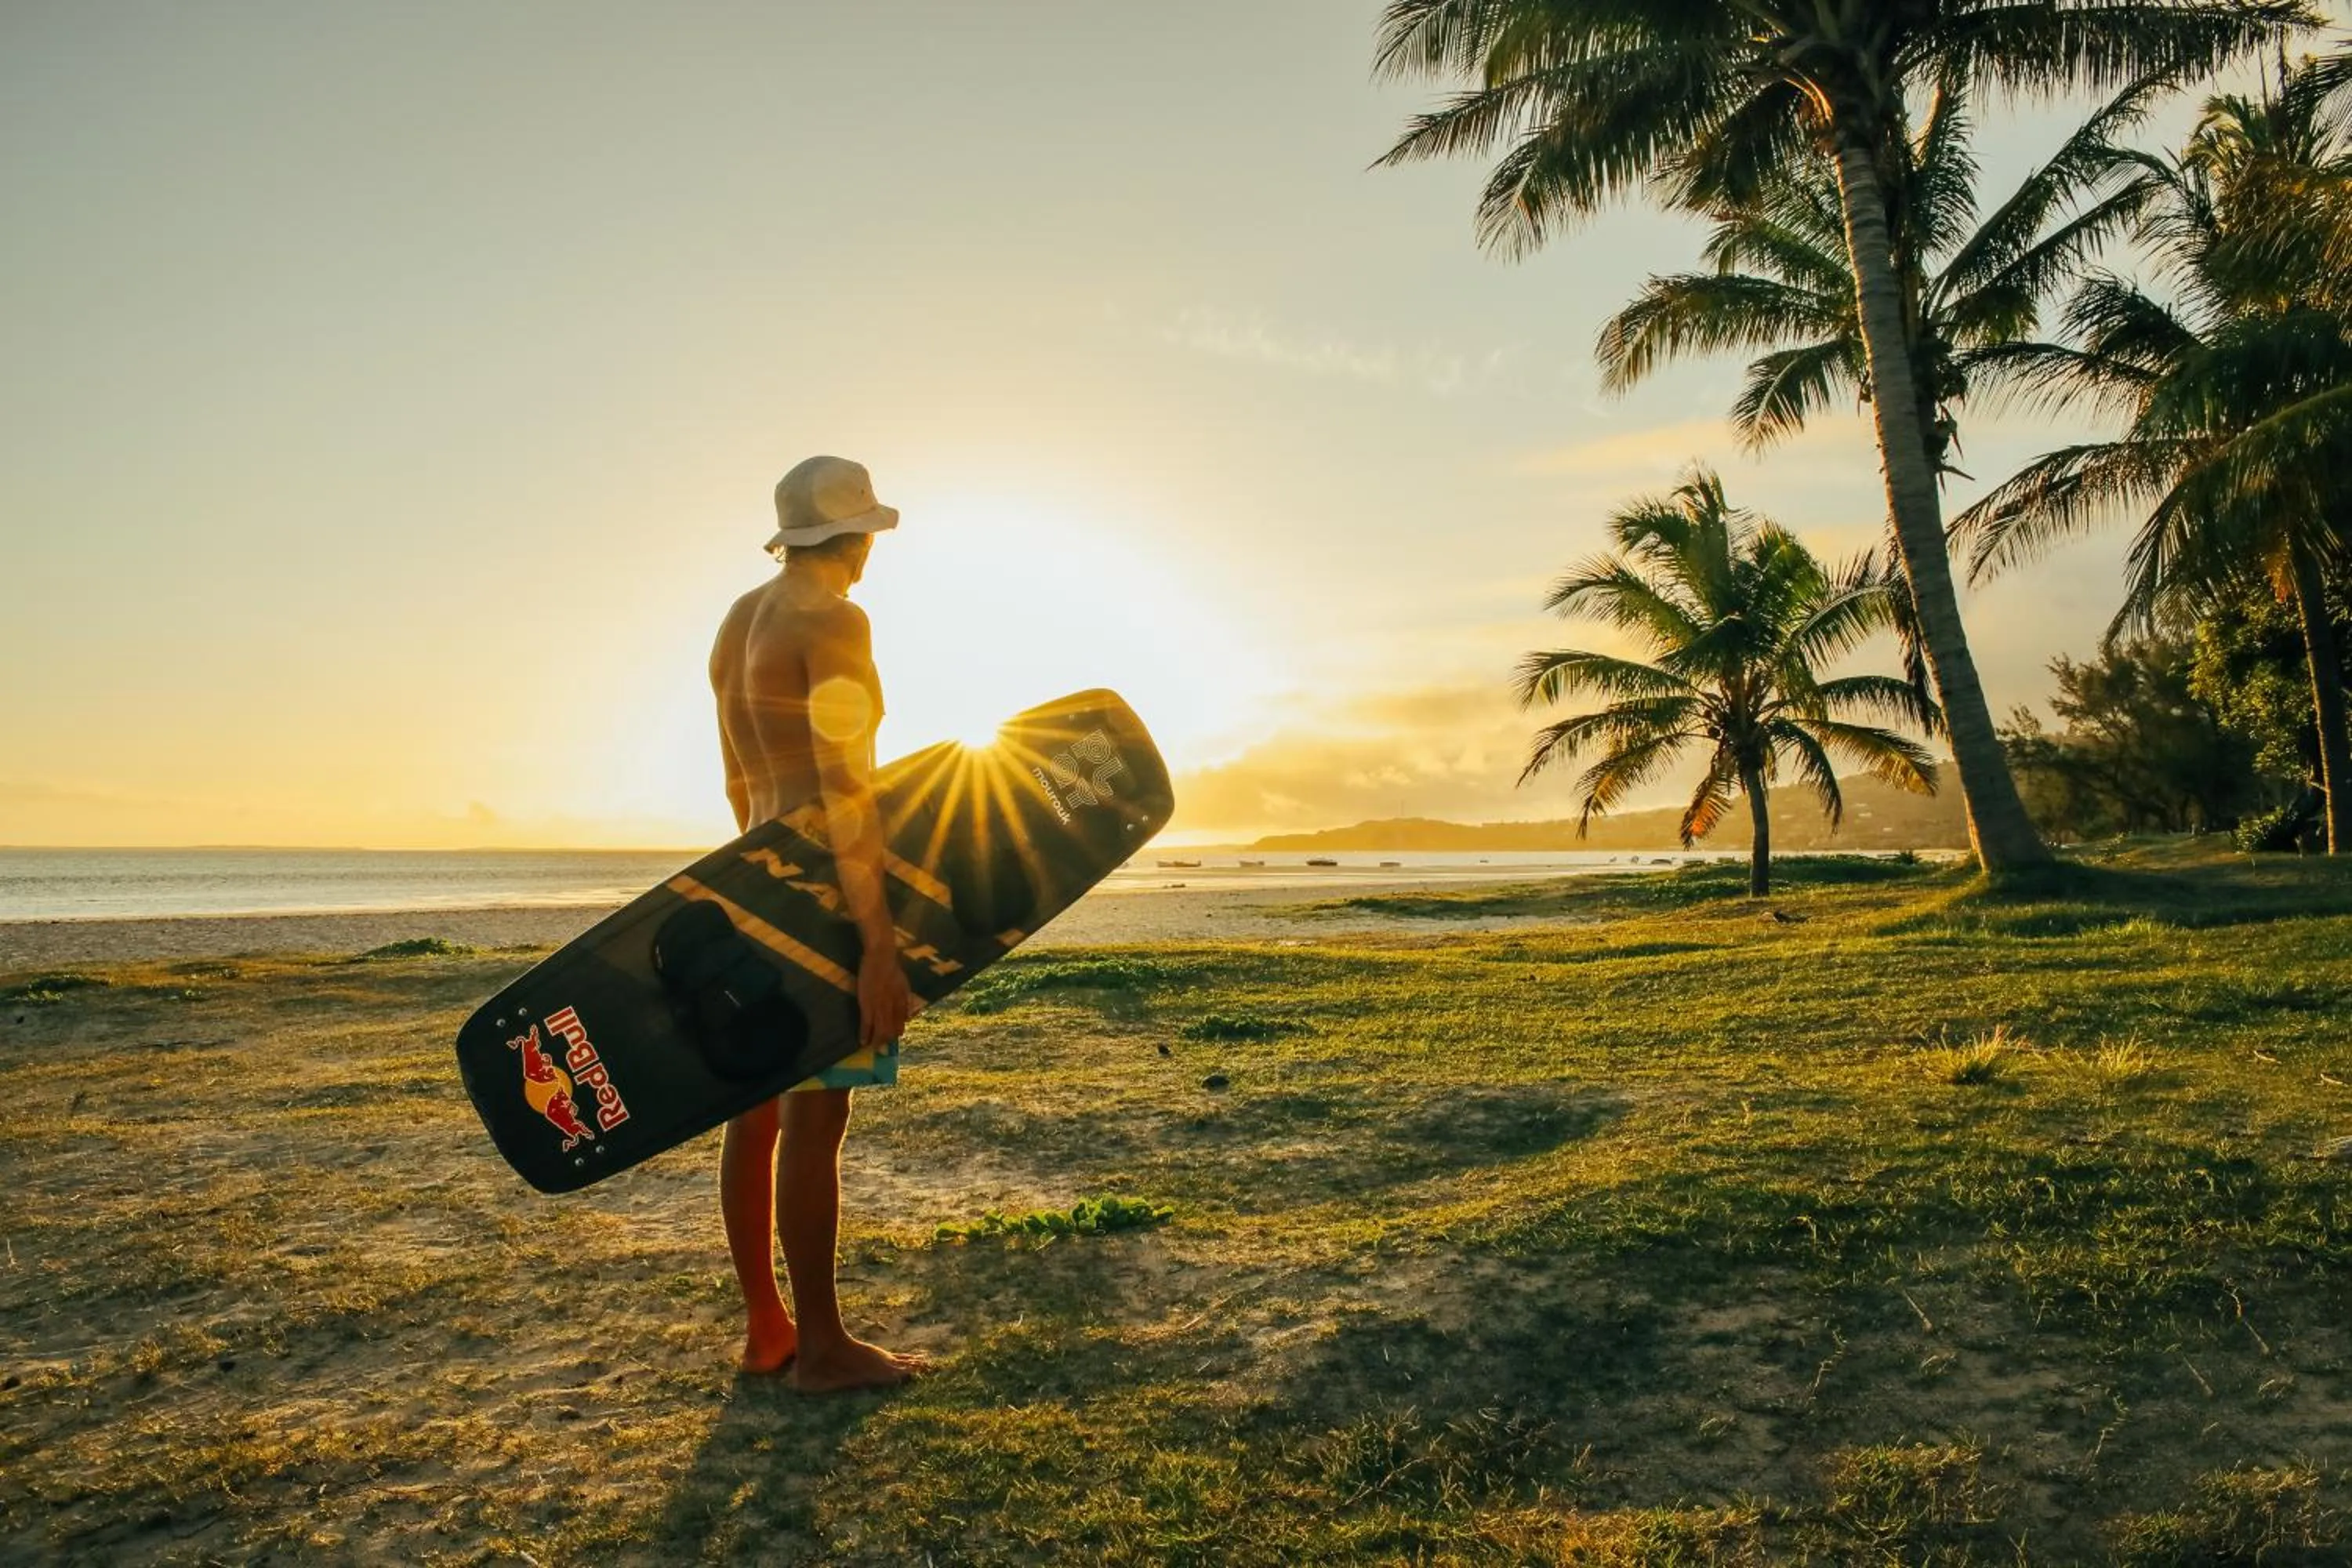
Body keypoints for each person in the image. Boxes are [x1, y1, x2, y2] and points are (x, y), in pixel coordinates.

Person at [707, 454, 927, 1393]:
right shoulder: (835, 618)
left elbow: (735, 778)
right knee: (815, 1118)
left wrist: (759, 881)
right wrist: (877, 944)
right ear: (856, 536)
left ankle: (769, 1327)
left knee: (754, 1108)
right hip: (822, 891)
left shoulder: (738, 619)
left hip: (748, 876)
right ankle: (826, 1348)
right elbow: (847, 789)